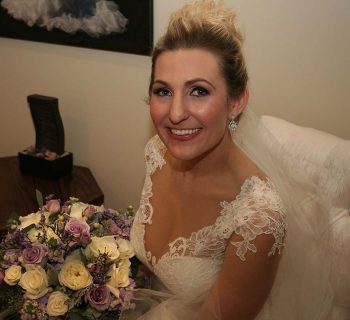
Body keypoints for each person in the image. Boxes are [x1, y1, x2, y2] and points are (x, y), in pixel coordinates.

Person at [129, 1, 339, 319]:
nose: (175, 114)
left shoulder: (259, 217)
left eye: (198, 91)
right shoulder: (156, 153)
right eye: (163, 91)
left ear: (237, 101)